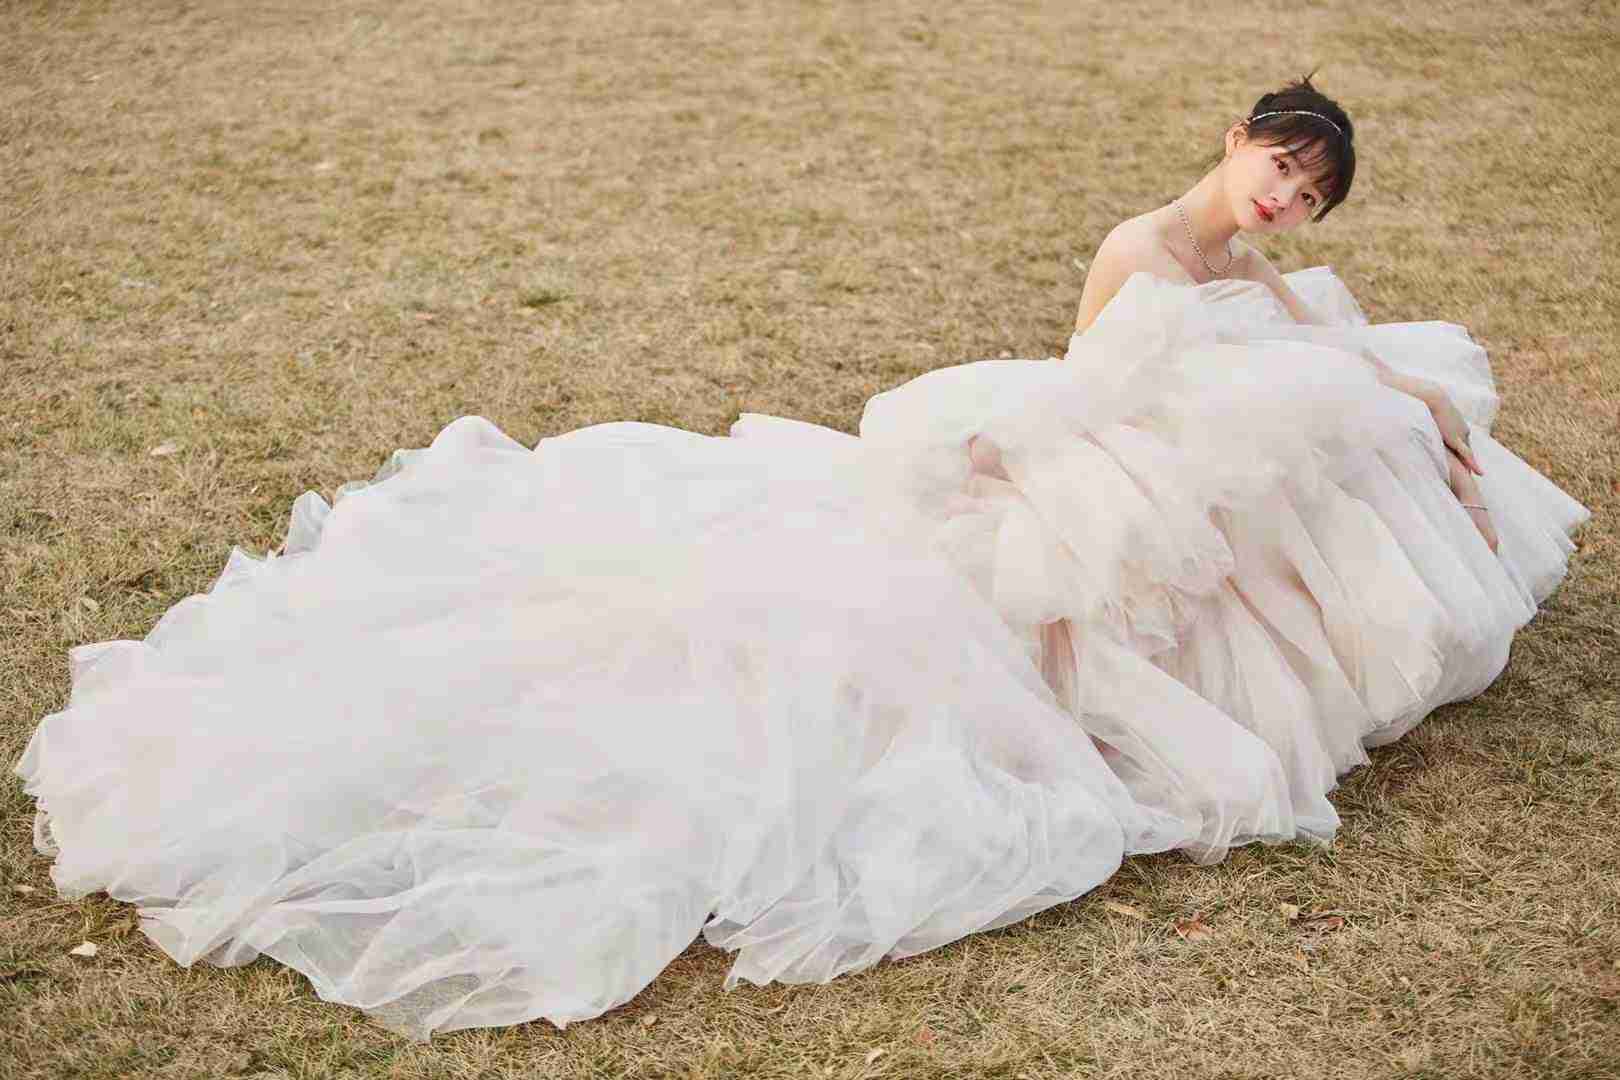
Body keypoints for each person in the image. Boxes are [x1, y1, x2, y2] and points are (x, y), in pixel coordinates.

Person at [12, 77, 1589, 1042]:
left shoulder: (1247, 264)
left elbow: (1311, 334)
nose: (1285, 199)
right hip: (1087, 443)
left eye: (1309, 194)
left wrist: (1413, 409)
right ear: (1236, 136)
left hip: (1158, 447)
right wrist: (1020, 465)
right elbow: (1085, 379)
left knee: (1349, 428)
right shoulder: (1142, 245)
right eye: (1280, 167)